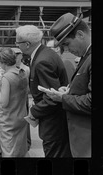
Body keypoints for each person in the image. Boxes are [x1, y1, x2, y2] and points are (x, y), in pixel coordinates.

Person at [15, 25, 72, 157]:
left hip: (53, 123)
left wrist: (33, 112)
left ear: (27, 44)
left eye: (17, 42)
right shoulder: (45, 53)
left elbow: (52, 96)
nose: (16, 45)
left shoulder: (42, 61)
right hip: (55, 120)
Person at [47, 13, 91, 157]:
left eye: (66, 43)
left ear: (79, 35)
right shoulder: (86, 56)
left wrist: (63, 99)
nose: (66, 49)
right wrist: (69, 91)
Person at [0, 47, 29, 157]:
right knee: (21, 150)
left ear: (3, 62)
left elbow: (4, 103)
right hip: (21, 117)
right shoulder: (22, 73)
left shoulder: (6, 77)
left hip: (9, 121)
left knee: (8, 152)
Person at [11, 47, 31, 150]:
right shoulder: (9, 68)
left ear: (21, 56)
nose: (16, 57)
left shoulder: (26, 69)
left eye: (18, 54)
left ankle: (26, 142)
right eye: (14, 54)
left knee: (25, 119)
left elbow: (29, 85)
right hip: (12, 97)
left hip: (23, 97)